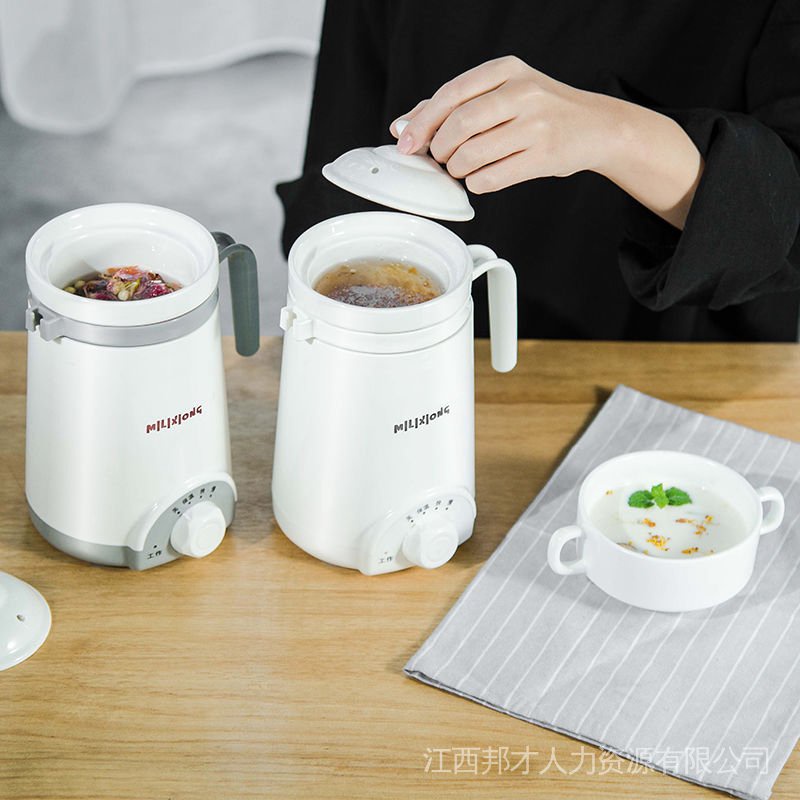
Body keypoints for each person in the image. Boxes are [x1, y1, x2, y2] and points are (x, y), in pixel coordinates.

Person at [278, 0, 800, 341]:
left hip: (658, 350)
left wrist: (618, 133)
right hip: (420, 315)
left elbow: (786, 215)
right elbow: (347, 129)